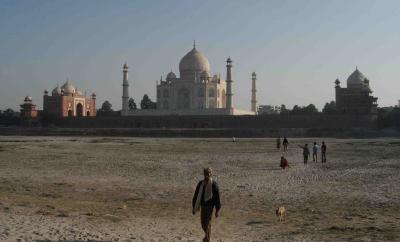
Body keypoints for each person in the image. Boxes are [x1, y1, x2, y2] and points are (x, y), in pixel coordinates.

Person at [192, 168, 221, 242]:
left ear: (211, 174)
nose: (207, 175)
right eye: (205, 173)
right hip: (203, 206)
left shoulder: (214, 184)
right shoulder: (201, 184)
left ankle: (207, 239)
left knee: (207, 223)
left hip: (210, 207)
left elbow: (217, 198)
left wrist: (217, 210)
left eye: (208, 173)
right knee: (203, 223)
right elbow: (196, 195)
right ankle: (207, 237)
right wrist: (194, 207)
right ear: (204, 174)